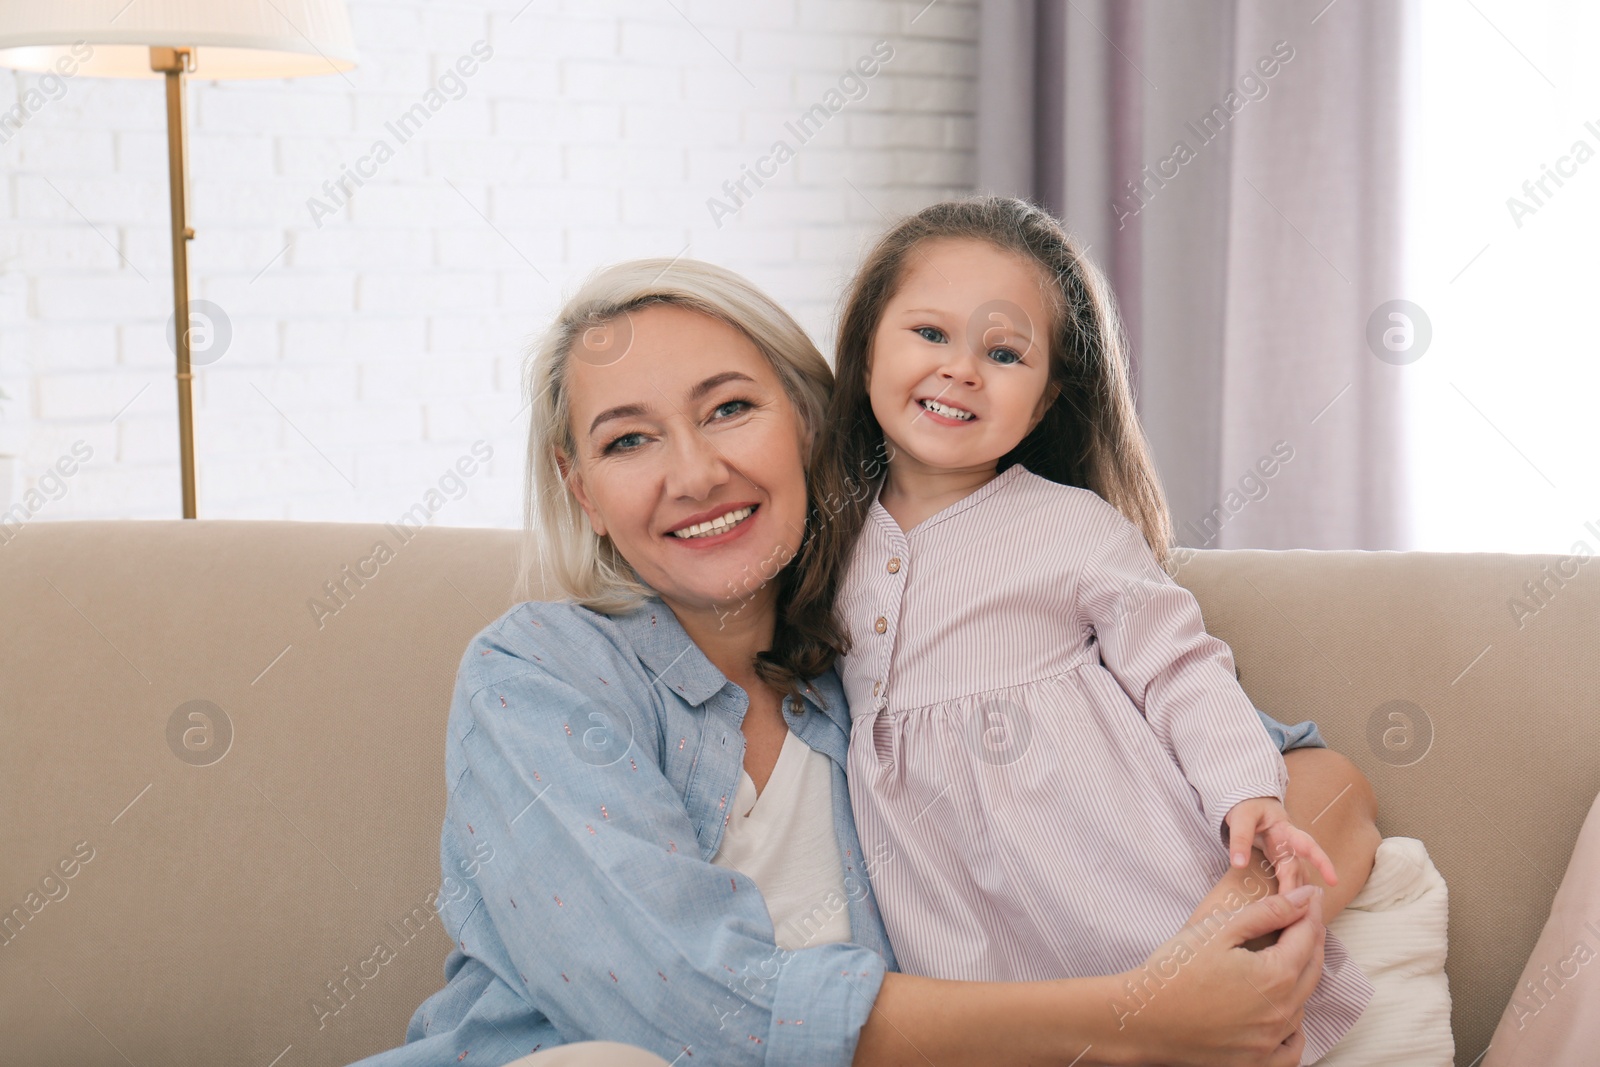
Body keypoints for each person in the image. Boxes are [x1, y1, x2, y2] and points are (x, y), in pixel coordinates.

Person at [350, 255, 1382, 1067]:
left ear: (808, 425)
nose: (694, 472)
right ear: (581, 492)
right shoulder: (540, 671)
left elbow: (1313, 777)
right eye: (627, 442)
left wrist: (1217, 948)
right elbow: (677, 1005)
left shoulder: (892, 663)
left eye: (728, 409)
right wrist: (1138, 1016)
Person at [784, 196, 1373, 1064]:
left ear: (1049, 393)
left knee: (1202, 1020)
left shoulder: (1071, 525)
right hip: (943, 890)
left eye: (1005, 352)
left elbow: (1180, 666)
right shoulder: (822, 533)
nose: (961, 370)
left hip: (1105, 853)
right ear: (867, 344)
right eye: (930, 334)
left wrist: (1248, 791)